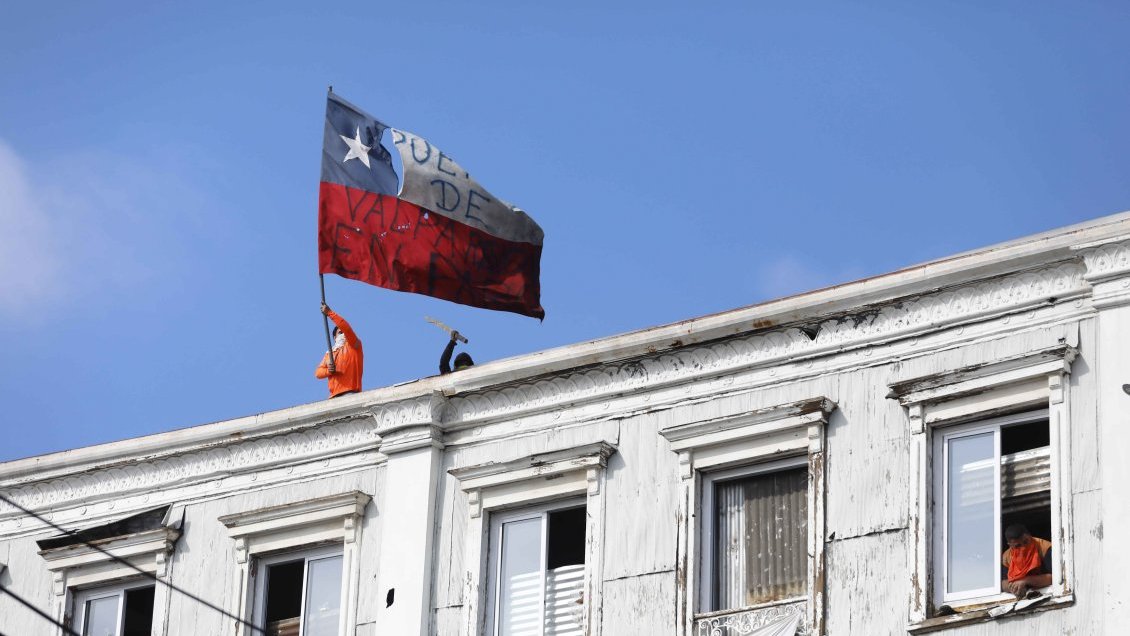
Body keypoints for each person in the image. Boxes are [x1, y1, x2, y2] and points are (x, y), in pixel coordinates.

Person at [314, 303, 363, 398]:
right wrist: (329, 370)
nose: (343, 335)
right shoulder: (329, 354)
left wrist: (329, 313)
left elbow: (346, 327)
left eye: (345, 333)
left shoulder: (354, 346)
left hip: (350, 392)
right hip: (333, 396)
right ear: (334, 337)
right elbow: (318, 372)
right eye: (340, 332)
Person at [1000, 524, 1053, 597]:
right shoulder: (1006, 557)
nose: (1024, 547)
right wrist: (1015, 587)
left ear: (1029, 535)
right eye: (1018, 546)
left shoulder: (1045, 548)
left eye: (1026, 542)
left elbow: (1053, 578)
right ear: (1010, 545)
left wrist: (1026, 580)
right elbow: (1002, 584)